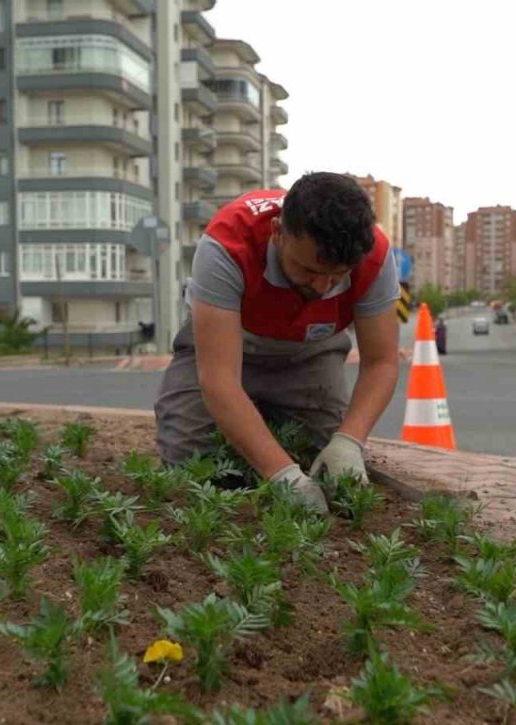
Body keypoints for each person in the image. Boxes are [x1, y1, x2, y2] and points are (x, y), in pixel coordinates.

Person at [154, 172, 401, 513]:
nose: (321, 286)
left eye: (337, 275)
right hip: (233, 344)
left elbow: (382, 362)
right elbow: (218, 379)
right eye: (309, 270)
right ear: (277, 234)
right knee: (189, 464)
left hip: (311, 354)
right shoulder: (228, 244)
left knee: (328, 469)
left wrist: (349, 442)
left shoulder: (374, 255)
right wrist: (282, 473)